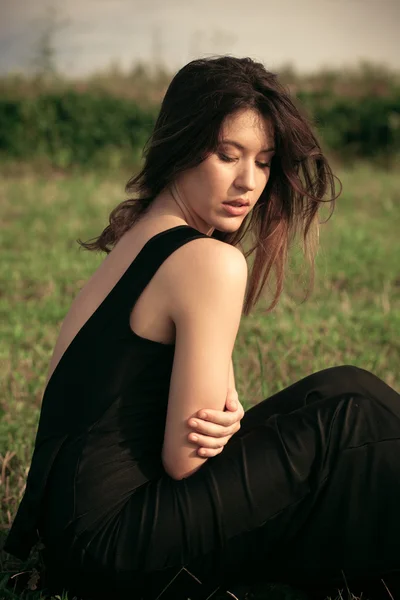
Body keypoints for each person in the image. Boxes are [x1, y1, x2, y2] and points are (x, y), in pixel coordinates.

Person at [4, 56, 400, 600]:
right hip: (118, 549)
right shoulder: (208, 262)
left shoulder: (140, 235)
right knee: (352, 417)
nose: (249, 182)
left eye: (263, 162)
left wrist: (226, 412)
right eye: (227, 155)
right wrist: (223, 420)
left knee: (343, 387)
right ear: (182, 145)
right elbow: (185, 458)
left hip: (76, 536)